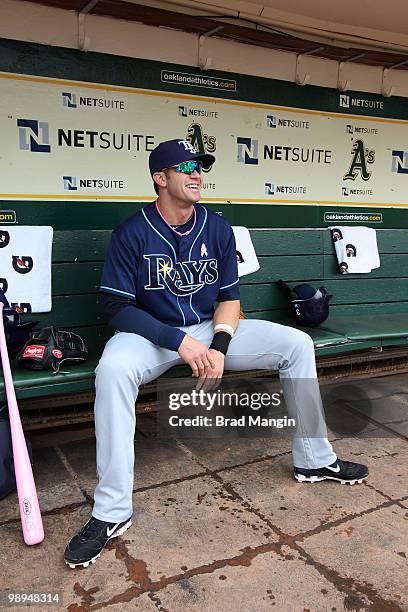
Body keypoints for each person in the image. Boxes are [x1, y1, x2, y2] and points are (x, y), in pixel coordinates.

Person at [64, 139, 368, 569]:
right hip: (151, 334)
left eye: (200, 166)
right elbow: (117, 308)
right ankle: (111, 511)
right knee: (113, 371)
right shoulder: (131, 232)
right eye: (185, 166)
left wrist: (219, 346)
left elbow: (229, 297)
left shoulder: (217, 227)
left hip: (209, 327)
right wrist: (181, 342)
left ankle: (315, 461)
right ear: (160, 178)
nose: (196, 173)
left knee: (297, 344)